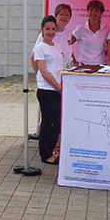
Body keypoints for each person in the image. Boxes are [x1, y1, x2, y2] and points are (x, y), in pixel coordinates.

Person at [33, 15, 65, 164]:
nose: (51, 32)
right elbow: (43, 71)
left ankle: (52, 149)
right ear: (42, 30)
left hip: (57, 89)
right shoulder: (40, 47)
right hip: (47, 90)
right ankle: (45, 155)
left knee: (56, 123)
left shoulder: (56, 46)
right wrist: (58, 86)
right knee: (48, 123)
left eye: (53, 29)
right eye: (47, 29)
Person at [32, 3, 73, 71]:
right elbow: (33, 57)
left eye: (67, 15)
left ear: (70, 17)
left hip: (64, 73)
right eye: (61, 14)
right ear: (56, 16)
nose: (64, 17)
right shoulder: (46, 34)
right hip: (49, 74)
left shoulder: (69, 34)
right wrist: (39, 74)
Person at [71, 0, 109, 66]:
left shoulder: (106, 30)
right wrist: (73, 60)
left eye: (96, 11)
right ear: (87, 11)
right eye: (91, 10)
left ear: (101, 13)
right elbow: (67, 44)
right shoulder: (80, 29)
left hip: (101, 67)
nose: (93, 13)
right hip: (83, 66)